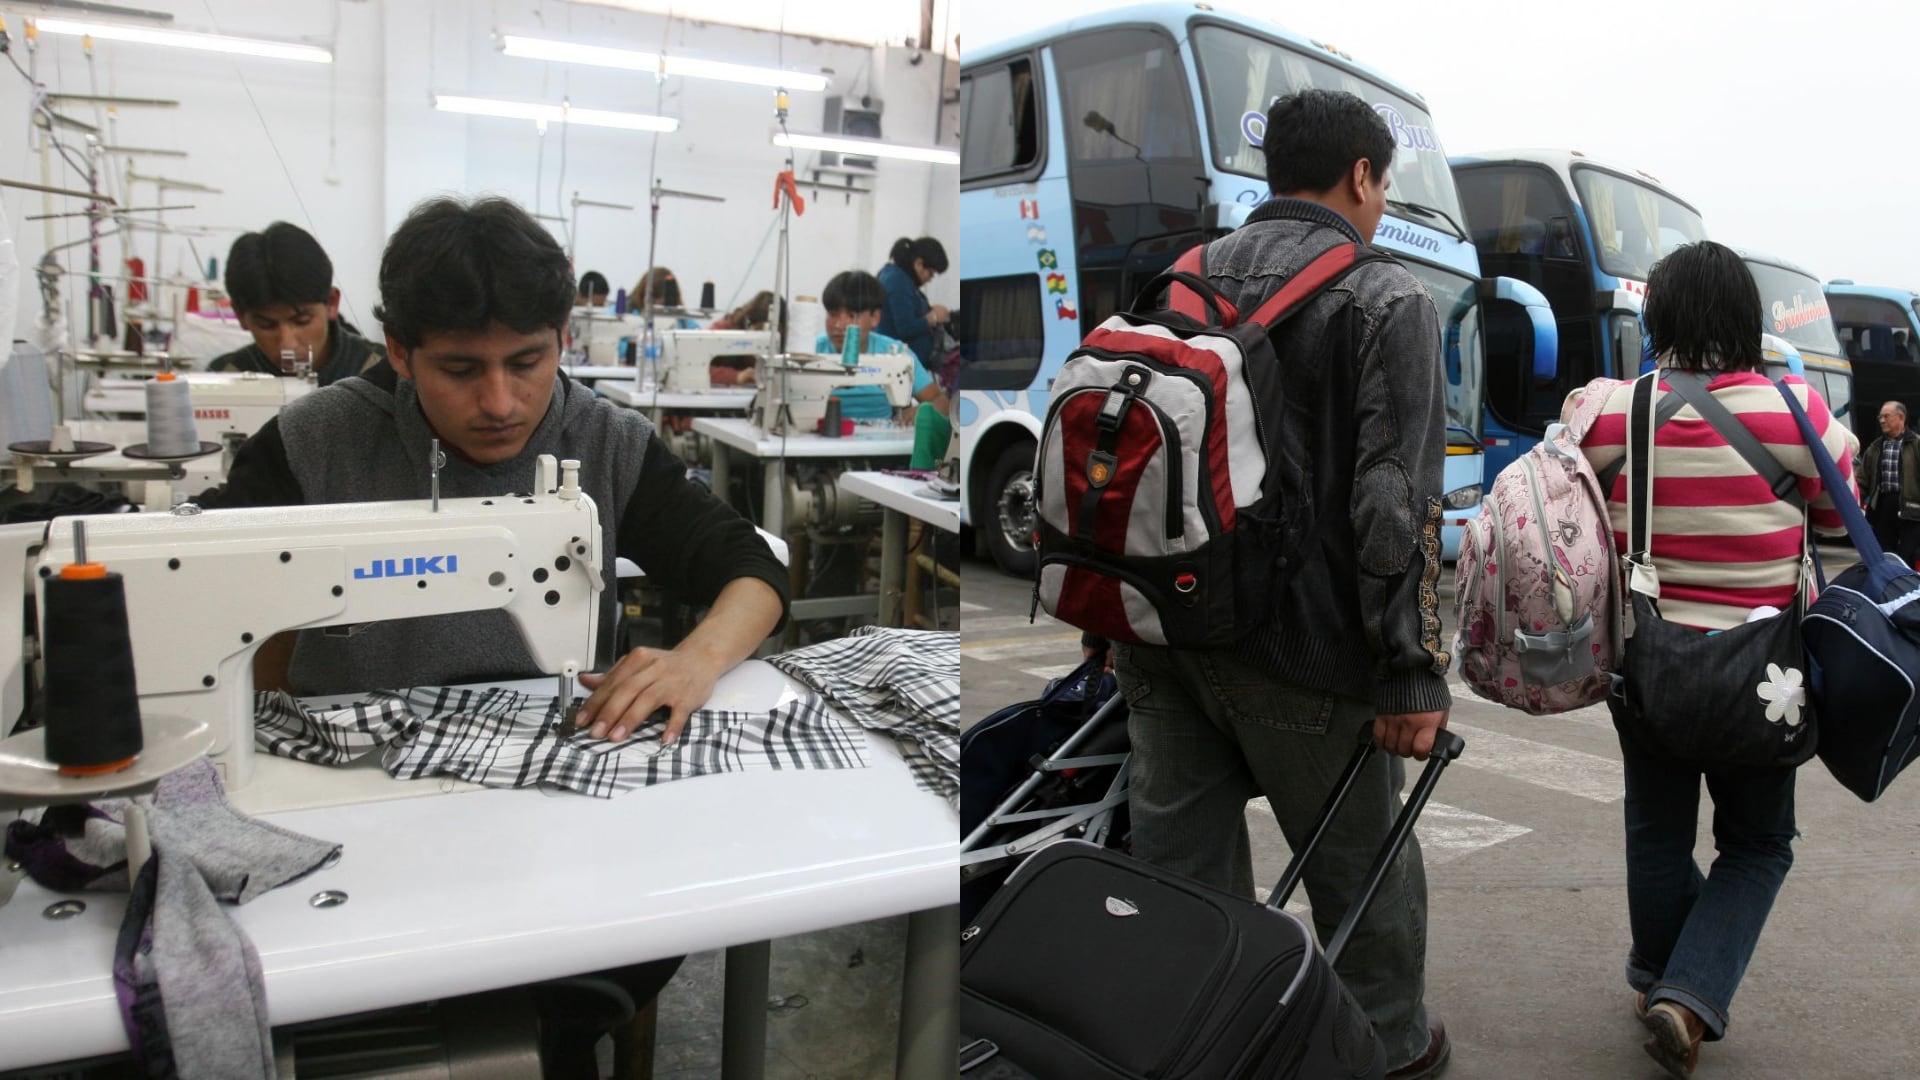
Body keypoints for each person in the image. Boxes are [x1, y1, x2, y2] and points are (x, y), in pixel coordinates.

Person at [1105, 89, 1452, 1080]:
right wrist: (1411, 675)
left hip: (1161, 637)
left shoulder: (1174, 278)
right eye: (1383, 183)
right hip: (1304, 655)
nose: (1382, 202)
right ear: (1360, 177)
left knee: (1183, 887)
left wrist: (1114, 618)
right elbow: (1395, 508)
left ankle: (1205, 1050)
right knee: (1363, 882)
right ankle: (1385, 1050)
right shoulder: (1390, 299)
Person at [210, 196, 788, 745]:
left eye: (526, 362)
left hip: (561, 740)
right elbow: (206, 586)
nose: (500, 403)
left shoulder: (607, 442)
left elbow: (753, 568)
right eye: (460, 370)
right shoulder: (313, 443)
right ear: (398, 351)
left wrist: (697, 660)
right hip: (351, 752)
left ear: (562, 338)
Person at [1571, 240, 1856, 1078]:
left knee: (1656, 832)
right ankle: (1686, 994)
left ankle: (1660, 980)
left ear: (1656, 319)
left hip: (1646, 666)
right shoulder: (1795, 409)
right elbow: (1841, 526)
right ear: (1746, 320)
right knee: (1759, 843)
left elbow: (1570, 514)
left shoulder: (1620, 409)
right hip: (1764, 676)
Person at [210, 222, 387, 385]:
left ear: (331, 303)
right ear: (240, 316)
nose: (287, 345)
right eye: (266, 325)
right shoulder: (223, 379)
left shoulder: (384, 371)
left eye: (302, 321)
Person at [1860, 400, 1920, 566]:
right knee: (1884, 556)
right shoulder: (1876, 447)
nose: (1881, 420)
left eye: (1886, 416)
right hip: (1883, 509)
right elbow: (1862, 480)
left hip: (1911, 511)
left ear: (1901, 417)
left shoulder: (1916, 444)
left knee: (1907, 558)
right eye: (1880, 416)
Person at [875, 236, 950, 368]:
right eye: (931, 273)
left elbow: (905, 309)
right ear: (919, 264)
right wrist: (934, 318)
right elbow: (905, 327)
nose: (930, 279)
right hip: (896, 366)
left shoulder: (899, 278)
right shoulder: (897, 281)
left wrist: (930, 309)